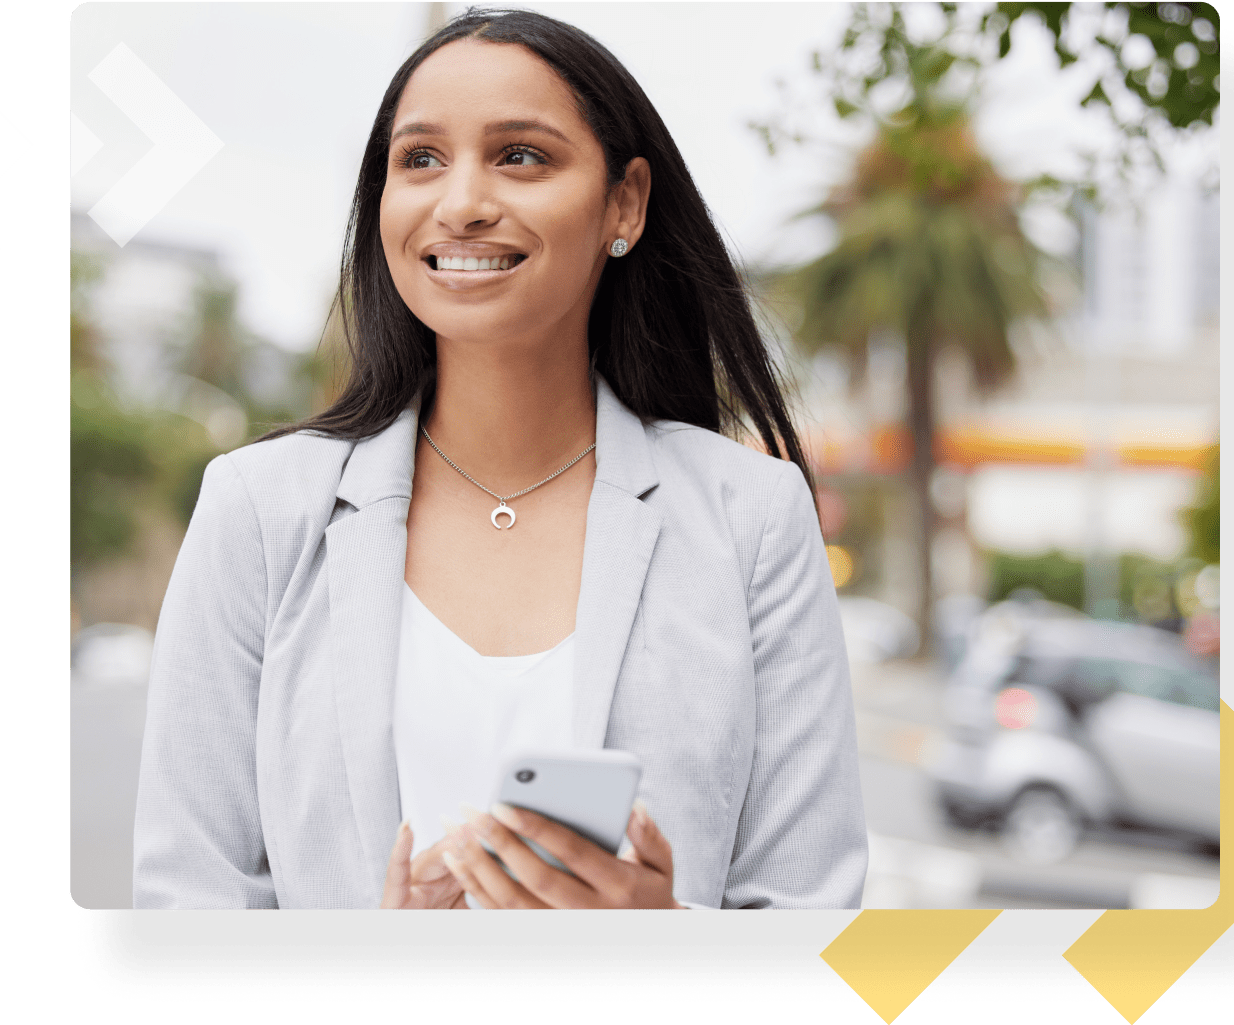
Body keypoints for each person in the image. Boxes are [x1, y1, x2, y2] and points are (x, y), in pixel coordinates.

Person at [133, 7, 866, 910]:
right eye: (421, 159)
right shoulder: (257, 508)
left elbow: (810, 914)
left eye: (521, 155)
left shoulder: (751, 515)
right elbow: (183, 908)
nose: (462, 202)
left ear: (624, 203)